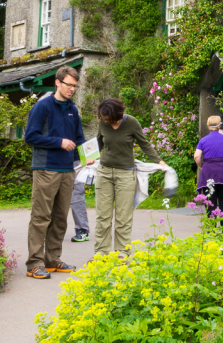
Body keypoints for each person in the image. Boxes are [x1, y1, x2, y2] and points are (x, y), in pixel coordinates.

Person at [24, 67, 86, 279]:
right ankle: (34, 263)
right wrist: (58, 142)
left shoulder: (72, 109)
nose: (71, 89)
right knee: (41, 217)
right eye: (69, 85)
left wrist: (88, 156)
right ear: (57, 83)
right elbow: (30, 137)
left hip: (67, 170)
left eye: (74, 86)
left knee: (60, 218)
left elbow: (79, 139)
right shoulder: (43, 106)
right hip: (46, 169)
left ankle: (52, 260)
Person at [94, 98, 165, 255]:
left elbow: (144, 144)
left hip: (125, 174)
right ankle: (101, 253)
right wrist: (89, 157)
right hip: (104, 172)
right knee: (102, 217)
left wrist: (159, 161)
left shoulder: (131, 122)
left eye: (107, 118)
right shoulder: (102, 123)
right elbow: (98, 142)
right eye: (102, 117)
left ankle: (122, 252)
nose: (104, 120)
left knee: (123, 217)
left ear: (117, 114)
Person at [194, 115, 223, 225]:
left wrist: (201, 165)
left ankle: (211, 226)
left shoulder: (203, 140)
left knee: (210, 200)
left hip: (209, 171)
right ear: (219, 126)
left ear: (208, 126)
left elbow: (197, 156)